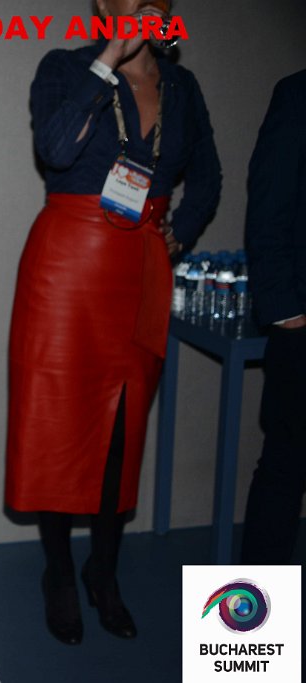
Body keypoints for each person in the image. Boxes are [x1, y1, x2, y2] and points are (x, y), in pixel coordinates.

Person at [5, 0, 221, 644]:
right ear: (102, 4)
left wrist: (179, 232)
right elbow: (55, 149)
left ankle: (104, 569)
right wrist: (109, 59)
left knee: (123, 431)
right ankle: (59, 572)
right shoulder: (65, 66)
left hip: (142, 269)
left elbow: (208, 176)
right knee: (57, 424)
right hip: (67, 267)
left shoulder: (183, 85)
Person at [240, 70, 306, 566]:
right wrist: (286, 312)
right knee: (286, 466)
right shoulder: (298, 93)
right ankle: (249, 619)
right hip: (302, 322)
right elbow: (268, 202)